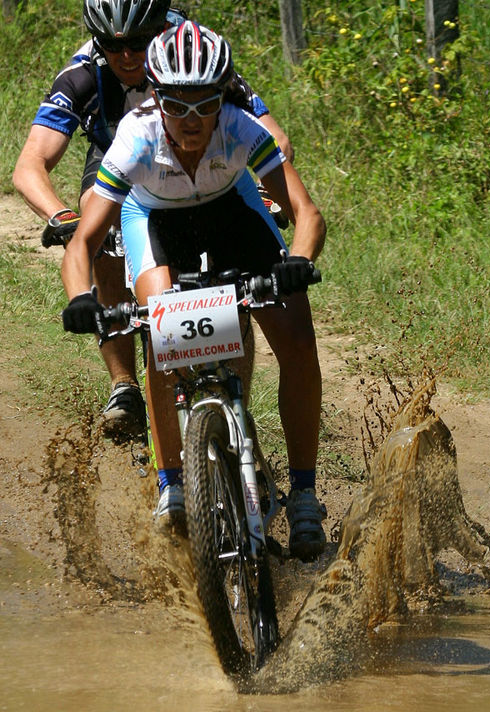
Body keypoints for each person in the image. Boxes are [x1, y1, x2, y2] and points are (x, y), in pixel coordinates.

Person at [60, 21, 327, 562]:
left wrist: (297, 262)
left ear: (222, 96)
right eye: (177, 106)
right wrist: (80, 296)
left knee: (297, 339)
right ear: (155, 97)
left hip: (233, 213)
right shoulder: (135, 137)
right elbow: (84, 240)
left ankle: (304, 494)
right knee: (160, 333)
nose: (191, 121)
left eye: (204, 104)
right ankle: (173, 485)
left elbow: (306, 214)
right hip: (155, 221)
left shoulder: (241, 128)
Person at [12, 0, 294, 441]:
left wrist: (263, 187)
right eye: (112, 44)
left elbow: (269, 134)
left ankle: (231, 394)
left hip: (203, 158)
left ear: (161, 28)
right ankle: (124, 384)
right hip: (122, 158)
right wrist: (62, 217)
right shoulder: (84, 73)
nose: (126, 57)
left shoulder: (191, 58)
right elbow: (30, 164)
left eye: (139, 43)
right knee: (97, 226)